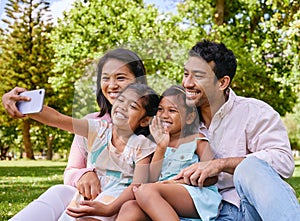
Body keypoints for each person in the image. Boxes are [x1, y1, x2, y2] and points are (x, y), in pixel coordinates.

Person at [173, 40, 300, 220]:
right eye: (186, 74)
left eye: (198, 76)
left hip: (247, 207)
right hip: (202, 212)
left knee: (249, 166)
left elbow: (284, 162)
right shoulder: (177, 119)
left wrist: (221, 164)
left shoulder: (255, 112)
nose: (187, 83)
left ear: (222, 83)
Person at [2, 48, 148, 202]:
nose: (112, 85)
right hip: (89, 198)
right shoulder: (94, 124)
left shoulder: (155, 123)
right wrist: (83, 174)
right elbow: (57, 119)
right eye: (105, 78)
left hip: (122, 204)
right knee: (58, 192)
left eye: (120, 77)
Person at [65, 85, 222, 221]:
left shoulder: (197, 140)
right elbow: (151, 178)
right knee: (130, 207)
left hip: (194, 196)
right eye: (160, 109)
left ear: (189, 117)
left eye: (172, 111)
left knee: (144, 190)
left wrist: (181, 182)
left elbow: (212, 175)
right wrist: (161, 147)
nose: (164, 115)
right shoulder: (151, 144)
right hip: (155, 196)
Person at [9, 83, 160, 221]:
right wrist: (25, 104)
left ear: (145, 120)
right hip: (88, 193)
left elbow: (137, 185)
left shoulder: (142, 145)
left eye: (132, 106)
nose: (122, 107)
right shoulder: (97, 129)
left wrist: (109, 210)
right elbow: (57, 118)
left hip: (116, 199)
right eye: (121, 100)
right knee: (58, 190)